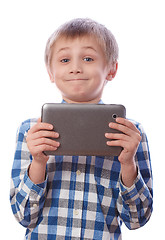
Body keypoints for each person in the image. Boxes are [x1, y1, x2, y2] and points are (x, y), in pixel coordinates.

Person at [10, 18, 153, 240]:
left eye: (88, 58)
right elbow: (24, 216)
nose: (76, 68)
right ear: (50, 72)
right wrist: (38, 162)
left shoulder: (130, 134)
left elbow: (137, 219)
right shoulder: (32, 131)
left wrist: (128, 163)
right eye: (65, 59)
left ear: (111, 69)